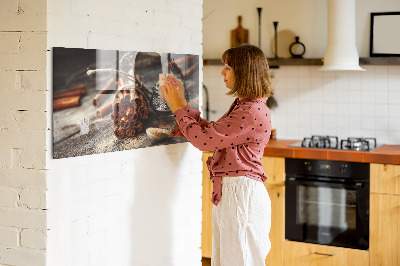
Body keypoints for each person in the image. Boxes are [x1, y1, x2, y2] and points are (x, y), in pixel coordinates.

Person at [161, 44, 273, 266]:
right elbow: (212, 133)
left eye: (228, 67)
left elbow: (204, 141)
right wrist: (182, 104)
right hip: (236, 193)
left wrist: (176, 108)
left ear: (244, 72)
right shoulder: (246, 106)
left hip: (241, 195)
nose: (222, 72)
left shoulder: (250, 111)